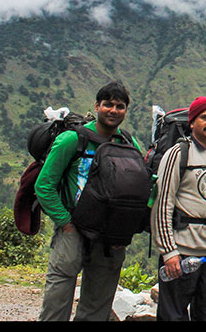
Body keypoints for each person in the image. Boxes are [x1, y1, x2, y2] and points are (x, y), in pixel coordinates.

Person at [35, 81, 142, 321]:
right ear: (96, 106)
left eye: (120, 106)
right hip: (74, 228)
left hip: (110, 235)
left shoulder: (128, 143)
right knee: (57, 300)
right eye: (108, 105)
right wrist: (65, 222)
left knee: (97, 307)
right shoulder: (72, 140)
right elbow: (44, 186)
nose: (113, 110)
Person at [150, 96, 206, 321]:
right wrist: (169, 252)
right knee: (174, 316)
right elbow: (163, 205)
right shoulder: (177, 155)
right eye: (205, 117)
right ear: (192, 123)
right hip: (181, 253)